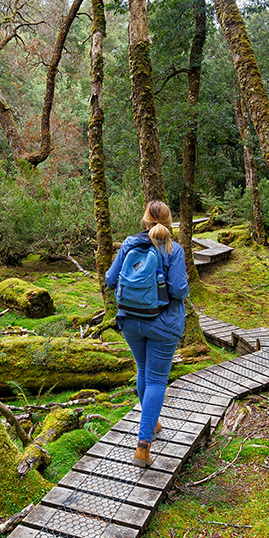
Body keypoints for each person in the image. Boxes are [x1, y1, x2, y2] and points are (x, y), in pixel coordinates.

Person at [106, 200, 190, 468]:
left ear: (144, 220)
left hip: (130, 321)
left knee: (143, 371)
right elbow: (178, 291)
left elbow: (110, 280)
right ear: (169, 221)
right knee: (156, 380)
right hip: (163, 324)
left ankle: (151, 423)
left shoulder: (129, 243)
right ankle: (142, 447)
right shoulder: (173, 250)